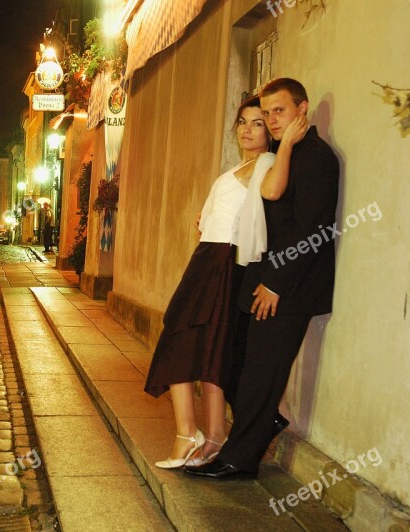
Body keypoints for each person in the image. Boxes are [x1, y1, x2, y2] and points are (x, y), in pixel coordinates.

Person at [186, 78, 339, 480]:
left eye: (279, 111)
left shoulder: (318, 157)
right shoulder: (281, 153)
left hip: (288, 289)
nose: (270, 120)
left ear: (301, 110)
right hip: (256, 281)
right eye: (266, 113)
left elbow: (310, 229)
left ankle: (240, 459)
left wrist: (276, 283)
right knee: (234, 362)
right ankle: (263, 423)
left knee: (259, 374)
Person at [143, 97, 275, 469]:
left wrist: (292, 142)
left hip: (221, 261)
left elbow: (271, 199)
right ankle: (213, 435)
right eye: (243, 122)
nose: (247, 129)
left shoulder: (265, 164)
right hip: (209, 258)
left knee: (180, 342)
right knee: (207, 349)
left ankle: (191, 435)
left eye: (258, 123)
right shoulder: (241, 167)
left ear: (270, 131)